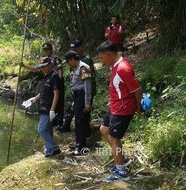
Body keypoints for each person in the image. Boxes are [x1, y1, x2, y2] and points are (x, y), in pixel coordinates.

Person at [97, 41, 142, 181]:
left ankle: (121, 172)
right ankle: (122, 159)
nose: (101, 61)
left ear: (110, 55)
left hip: (123, 109)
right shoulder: (115, 65)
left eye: (102, 58)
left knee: (115, 138)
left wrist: (138, 107)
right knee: (104, 130)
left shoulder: (123, 68)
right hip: (114, 106)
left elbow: (137, 90)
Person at [23, 57, 62, 157]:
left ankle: (54, 147)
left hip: (49, 108)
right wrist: (33, 99)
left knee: (42, 129)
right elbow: (43, 92)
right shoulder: (46, 76)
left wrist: (53, 109)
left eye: (44, 66)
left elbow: (56, 93)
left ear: (49, 65)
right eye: (41, 67)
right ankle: (49, 150)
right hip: (43, 106)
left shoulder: (54, 77)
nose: (43, 68)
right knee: (48, 129)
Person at [21, 42, 65, 129]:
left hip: (56, 81)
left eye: (48, 49)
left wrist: (60, 80)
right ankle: (51, 122)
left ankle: (59, 123)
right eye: (45, 50)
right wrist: (24, 66)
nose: (46, 51)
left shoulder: (55, 59)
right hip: (48, 80)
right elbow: (35, 68)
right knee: (46, 98)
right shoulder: (43, 59)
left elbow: (60, 69)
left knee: (59, 102)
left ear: (51, 49)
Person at [57, 40, 96, 133]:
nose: (73, 50)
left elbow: (88, 78)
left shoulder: (85, 60)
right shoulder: (72, 59)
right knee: (73, 110)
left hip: (85, 89)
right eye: (72, 49)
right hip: (76, 89)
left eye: (75, 49)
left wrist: (88, 96)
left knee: (84, 113)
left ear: (81, 48)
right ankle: (69, 127)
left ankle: (85, 133)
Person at [64, 50, 93, 155]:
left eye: (68, 61)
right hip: (77, 96)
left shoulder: (83, 68)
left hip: (82, 96)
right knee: (81, 120)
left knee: (79, 121)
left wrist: (87, 102)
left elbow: (87, 86)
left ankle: (80, 146)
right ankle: (80, 142)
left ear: (72, 59)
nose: (68, 64)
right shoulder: (75, 68)